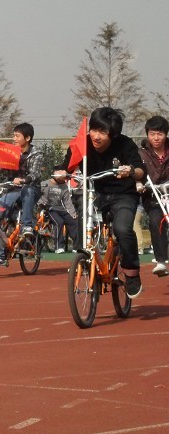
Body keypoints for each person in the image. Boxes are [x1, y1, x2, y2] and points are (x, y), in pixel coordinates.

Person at [57, 107, 145, 299]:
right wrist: (60, 173)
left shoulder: (125, 144)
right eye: (94, 130)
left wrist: (130, 170)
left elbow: (140, 170)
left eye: (103, 132)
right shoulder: (82, 144)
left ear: (113, 134)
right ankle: (84, 259)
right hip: (96, 194)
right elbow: (65, 167)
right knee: (83, 215)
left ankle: (131, 273)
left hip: (124, 195)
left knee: (122, 229)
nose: (96, 136)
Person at [0, 123, 43, 234]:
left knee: (28, 190)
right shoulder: (10, 152)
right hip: (13, 189)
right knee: (1, 212)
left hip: (31, 189)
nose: (14, 139)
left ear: (27, 138)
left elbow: (35, 173)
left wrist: (25, 180)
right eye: (14, 136)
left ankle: (27, 225)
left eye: (17, 136)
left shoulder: (36, 154)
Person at [138, 115, 169, 277]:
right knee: (156, 221)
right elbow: (136, 172)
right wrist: (139, 183)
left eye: (160, 134)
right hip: (153, 196)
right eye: (152, 134)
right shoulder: (141, 154)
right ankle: (161, 261)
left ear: (166, 135)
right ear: (147, 134)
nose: (156, 138)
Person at [37, 167, 78, 254]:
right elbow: (37, 195)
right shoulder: (45, 184)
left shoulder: (64, 186)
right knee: (59, 222)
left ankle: (76, 246)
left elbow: (67, 202)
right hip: (48, 208)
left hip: (60, 208)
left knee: (73, 221)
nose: (64, 180)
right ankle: (59, 247)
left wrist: (73, 213)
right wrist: (40, 205)